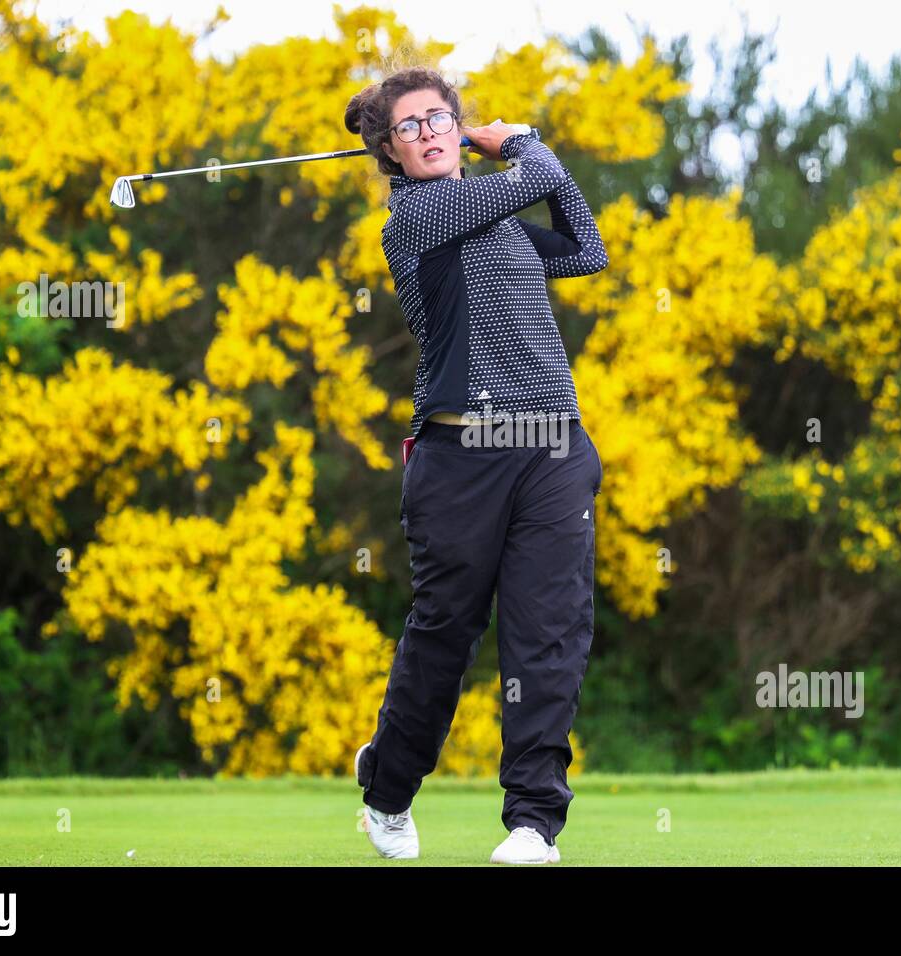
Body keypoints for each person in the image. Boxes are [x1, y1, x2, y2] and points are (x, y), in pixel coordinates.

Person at [345, 65, 608, 864]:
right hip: (461, 458)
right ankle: (387, 788)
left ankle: (534, 822)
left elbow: (587, 248)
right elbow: (533, 177)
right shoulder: (419, 217)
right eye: (409, 127)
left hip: (552, 450)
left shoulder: (497, 222)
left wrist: (526, 157)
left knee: (548, 633)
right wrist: (521, 141)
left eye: (437, 119)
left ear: (457, 130)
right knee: (445, 633)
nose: (426, 134)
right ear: (390, 152)